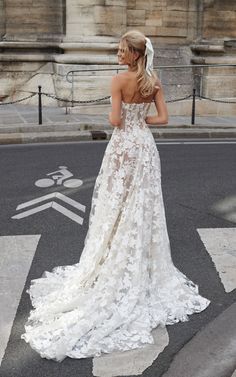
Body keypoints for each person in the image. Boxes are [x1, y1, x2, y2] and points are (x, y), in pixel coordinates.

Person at [21, 30, 210, 362]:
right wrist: (142, 121)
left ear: (135, 54)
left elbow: (113, 120)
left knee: (116, 207)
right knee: (142, 207)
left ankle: (110, 259)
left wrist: (124, 120)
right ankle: (139, 262)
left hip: (123, 147)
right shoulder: (154, 80)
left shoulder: (118, 81)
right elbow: (163, 118)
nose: (118, 54)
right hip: (145, 148)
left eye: (122, 50)